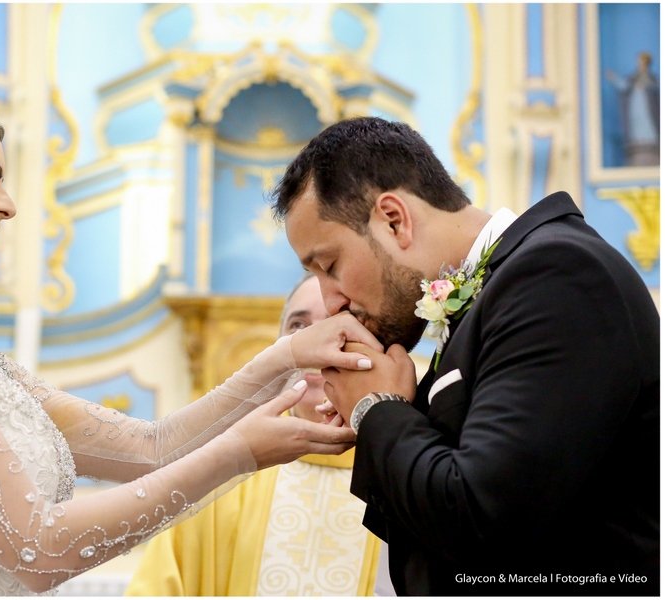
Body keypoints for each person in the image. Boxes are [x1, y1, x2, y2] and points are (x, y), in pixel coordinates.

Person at [0, 66, 380, 595]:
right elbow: (35, 549)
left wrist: (286, 356)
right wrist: (239, 453)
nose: (8, 203)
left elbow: (150, 448)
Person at [270, 117, 659, 595]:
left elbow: (482, 520)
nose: (332, 303)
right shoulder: (493, 291)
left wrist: (378, 412)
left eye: (330, 266)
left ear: (394, 219)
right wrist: (385, 413)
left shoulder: (558, 275)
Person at [125, 272, 395, 597]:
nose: (315, 342)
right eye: (298, 325)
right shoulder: (223, 473)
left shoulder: (400, 471)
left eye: (335, 323)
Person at [606, 51, 659, 167]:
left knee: (649, 124)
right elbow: (624, 86)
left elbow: (655, 90)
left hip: (648, 109)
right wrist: (614, 78)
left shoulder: (652, 78)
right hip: (636, 109)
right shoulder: (634, 78)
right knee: (636, 125)